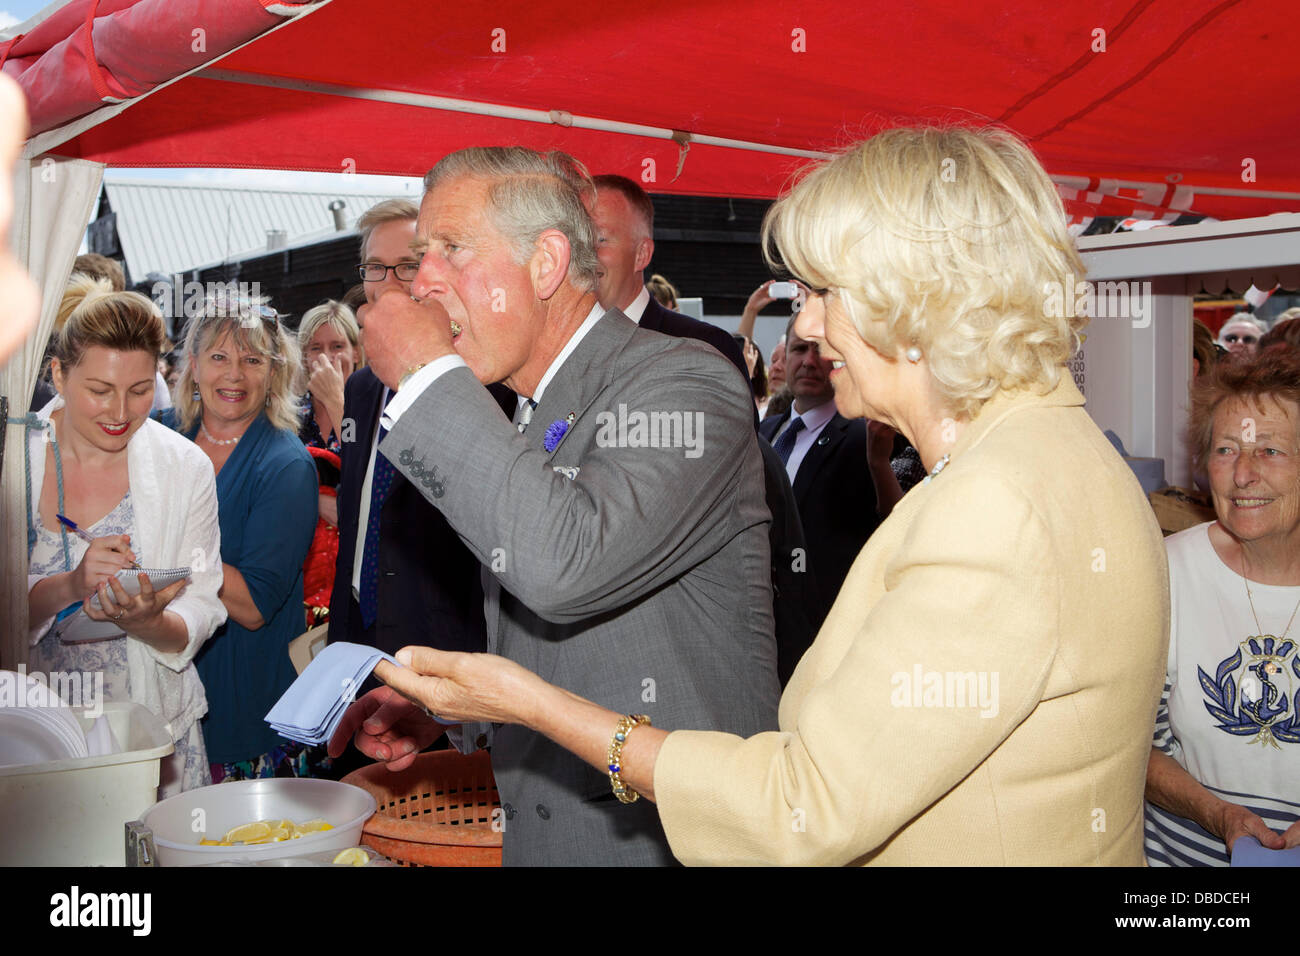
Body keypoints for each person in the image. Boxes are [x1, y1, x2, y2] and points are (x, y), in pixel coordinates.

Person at [343, 126, 1171, 866]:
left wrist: (532, 703)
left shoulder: (1003, 498)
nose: (803, 330)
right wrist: (476, 714)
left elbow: (803, 807)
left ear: (919, 292)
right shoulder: (1027, 461)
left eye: (822, 292)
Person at [333, 146, 779, 865]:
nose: (423, 283)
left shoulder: (685, 384)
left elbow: (561, 565)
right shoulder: (522, 415)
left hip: (667, 843)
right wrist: (448, 711)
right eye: (421, 255)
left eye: (451, 249)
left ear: (544, 265)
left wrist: (423, 377)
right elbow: (542, 646)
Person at [25, 276, 224, 795]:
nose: (120, 413)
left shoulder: (185, 467)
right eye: (99, 390)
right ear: (57, 374)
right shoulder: (12, 462)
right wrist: (68, 586)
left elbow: (202, 603)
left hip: (151, 735)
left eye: (139, 390)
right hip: (29, 742)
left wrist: (151, 622)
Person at [326, 200, 504, 679]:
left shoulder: (479, 386)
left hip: (441, 647)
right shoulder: (361, 388)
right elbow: (359, 512)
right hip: (355, 635)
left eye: (407, 265)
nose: (389, 283)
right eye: (375, 268)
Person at [1144, 347, 1300, 865]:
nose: (1243, 475)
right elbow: (1132, 744)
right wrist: (1220, 815)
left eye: (1270, 451)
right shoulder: (1166, 572)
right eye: (1227, 449)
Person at [169, 293, 320, 781]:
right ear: (193, 366)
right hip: (165, 701)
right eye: (219, 357)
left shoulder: (285, 465)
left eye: (251, 360)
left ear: (273, 373)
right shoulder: (161, 437)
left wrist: (169, 539)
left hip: (246, 714)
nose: (233, 374)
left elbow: (254, 606)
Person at [761, 314, 905, 631]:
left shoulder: (863, 437)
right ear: (784, 357)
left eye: (820, 351)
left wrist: (878, 464)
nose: (809, 362)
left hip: (824, 625)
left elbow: (897, 524)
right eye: (799, 350)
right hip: (761, 622)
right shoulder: (763, 432)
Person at [588, 174, 748, 382]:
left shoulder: (706, 350)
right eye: (576, 238)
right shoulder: (559, 351)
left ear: (641, 254)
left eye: (601, 239)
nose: (583, 253)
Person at [295, 300, 359, 627]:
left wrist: (337, 401)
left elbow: (369, 489)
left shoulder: (377, 413)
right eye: (315, 348)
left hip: (353, 586)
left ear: (356, 352)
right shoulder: (287, 419)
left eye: (337, 346)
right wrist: (315, 500)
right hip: (297, 582)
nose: (327, 357)